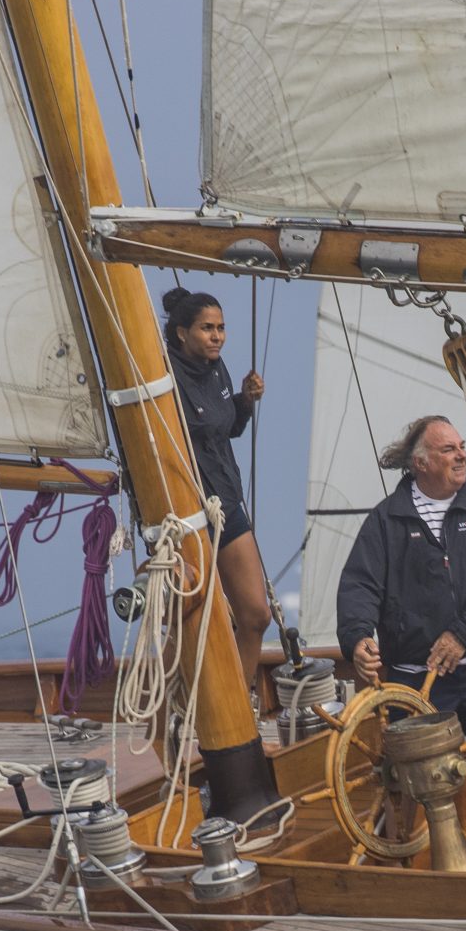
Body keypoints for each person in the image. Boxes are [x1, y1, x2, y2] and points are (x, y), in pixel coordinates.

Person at [336, 416, 466, 851]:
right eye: (449, 450)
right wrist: (357, 638)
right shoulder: (387, 520)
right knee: (410, 767)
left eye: (461, 446)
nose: (462, 455)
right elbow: (359, 586)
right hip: (416, 677)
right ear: (421, 463)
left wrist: (462, 634)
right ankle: (412, 848)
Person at [161, 287, 271, 687]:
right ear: (182, 333)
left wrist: (245, 401)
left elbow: (225, 429)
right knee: (195, 618)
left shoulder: (216, 366)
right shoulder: (162, 372)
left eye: (221, 328)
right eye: (207, 328)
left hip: (227, 502)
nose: (217, 336)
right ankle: (169, 704)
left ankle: (239, 705)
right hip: (188, 510)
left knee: (256, 614)